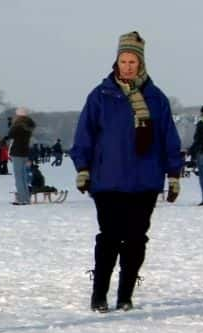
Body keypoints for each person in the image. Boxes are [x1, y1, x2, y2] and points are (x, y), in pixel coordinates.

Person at [71, 31, 182, 313]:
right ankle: (99, 294)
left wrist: (174, 174)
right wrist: (83, 168)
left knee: (135, 239)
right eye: (123, 61)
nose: (128, 66)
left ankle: (125, 295)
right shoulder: (100, 96)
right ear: (116, 62)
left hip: (144, 180)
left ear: (141, 63)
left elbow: (169, 138)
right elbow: (85, 135)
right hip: (107, 179)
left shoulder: (156, 98)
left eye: (133, 61)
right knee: (109, 236)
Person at [8, 107, 36, 205]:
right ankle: (26, 198)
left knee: (18, 176)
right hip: (25, 152)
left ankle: (21, 198)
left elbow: (10, 135)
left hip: (17, 152)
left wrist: (12, 125)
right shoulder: (29, 125)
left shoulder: (18, 125)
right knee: (24, 176)